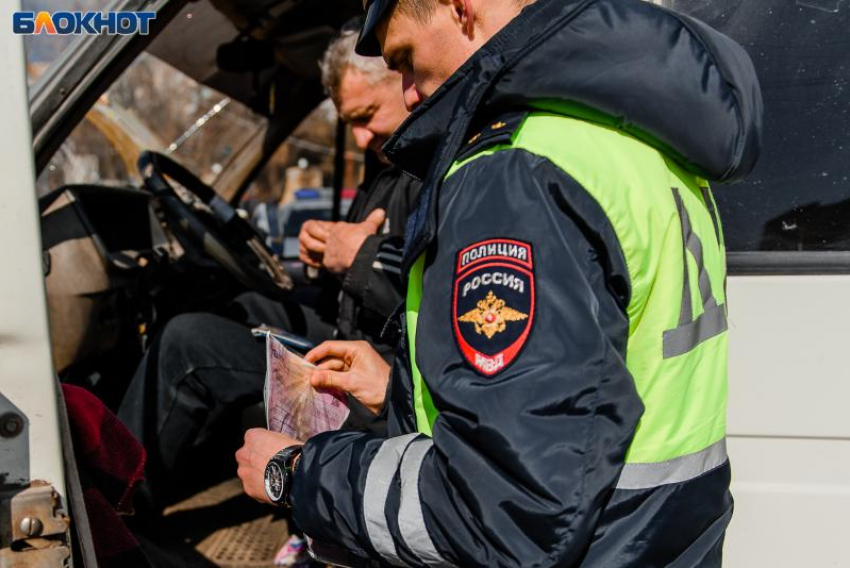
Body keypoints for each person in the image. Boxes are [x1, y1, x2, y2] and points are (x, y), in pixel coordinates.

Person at [236, 0, 763, 566]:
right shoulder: (643, 140)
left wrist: (297, 473)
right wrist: (400, 387)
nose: (409, 92)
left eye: (407, 60)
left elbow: (502, 513)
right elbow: (592, 393)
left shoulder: (515, 171)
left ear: (460, 7)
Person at [117, 28, 420, 513]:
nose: (361, 137)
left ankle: (117, 502)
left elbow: (426, 291)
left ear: (403, 78)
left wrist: (359, 257)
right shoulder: (387, 164)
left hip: (382, 365)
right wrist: (328, 258)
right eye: (351, 123)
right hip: (349, 327)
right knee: (237, 306)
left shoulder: (429, 167)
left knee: (186, 344)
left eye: (366, 117)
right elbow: (370, 261)